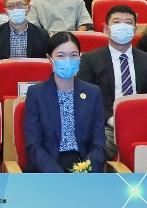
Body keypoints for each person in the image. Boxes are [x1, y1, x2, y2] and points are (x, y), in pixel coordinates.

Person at [77, 4, 147, 158]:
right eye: (117, 22)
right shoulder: (90, 60)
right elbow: (85, 99)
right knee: (97, 146)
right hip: (107, 126)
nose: (123, 26)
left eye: (128, 23)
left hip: (143, 125)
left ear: (135, 29)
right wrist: (112, 119)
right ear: (106, 29)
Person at [22, 32, 106, 173]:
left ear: (80, 57)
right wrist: (57, 175)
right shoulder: (36, 93)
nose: (68, 60)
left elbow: (98, 143)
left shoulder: (93, 92)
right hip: (47, 168)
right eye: (61, 56)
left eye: (73, 55)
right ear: (50, 59)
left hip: (83, 167)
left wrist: (84, 170)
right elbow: (33, 145)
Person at [0, 0, 50, 91]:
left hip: (33, 86)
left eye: (20, 5)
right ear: (6, 11)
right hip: (3, 84)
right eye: (11, 6)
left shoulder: (42, 35)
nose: (15, 9)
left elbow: (46, 68)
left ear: (28, 9)